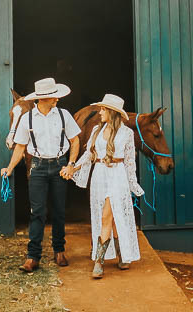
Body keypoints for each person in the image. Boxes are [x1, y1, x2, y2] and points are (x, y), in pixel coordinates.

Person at [1, 77, 81, 273]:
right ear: (43, 99)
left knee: (59, 211)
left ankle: (59, 250)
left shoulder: (63, 115)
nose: (57, 99)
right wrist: (10, 168)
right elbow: (20, 147)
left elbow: (75, 141)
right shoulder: (27, 119)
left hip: (59, 165)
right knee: (37, 212)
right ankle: (33, 256)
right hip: (37, 167)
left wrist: (71, 165)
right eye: (54, 97)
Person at [61, 94, 144, 279]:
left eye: (103, 109)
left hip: (118, 175)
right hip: (99, 174)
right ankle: (122, 252)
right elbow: (89, 155)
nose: (99, 112)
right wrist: (73, 168)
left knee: (107, 215)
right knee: (109, 215)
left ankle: (99, 261)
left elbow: (130, 162)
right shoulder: (97, 130)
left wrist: (133, 184)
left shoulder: (127, 134)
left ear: (112, 112)